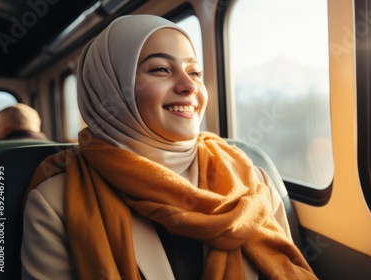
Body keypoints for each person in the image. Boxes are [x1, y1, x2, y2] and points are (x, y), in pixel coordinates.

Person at [21, 15, 318, 280]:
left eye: (195, 72)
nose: (189, 86)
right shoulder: (56, 201)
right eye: (161, 69)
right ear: (110, 88)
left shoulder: (253, 181)